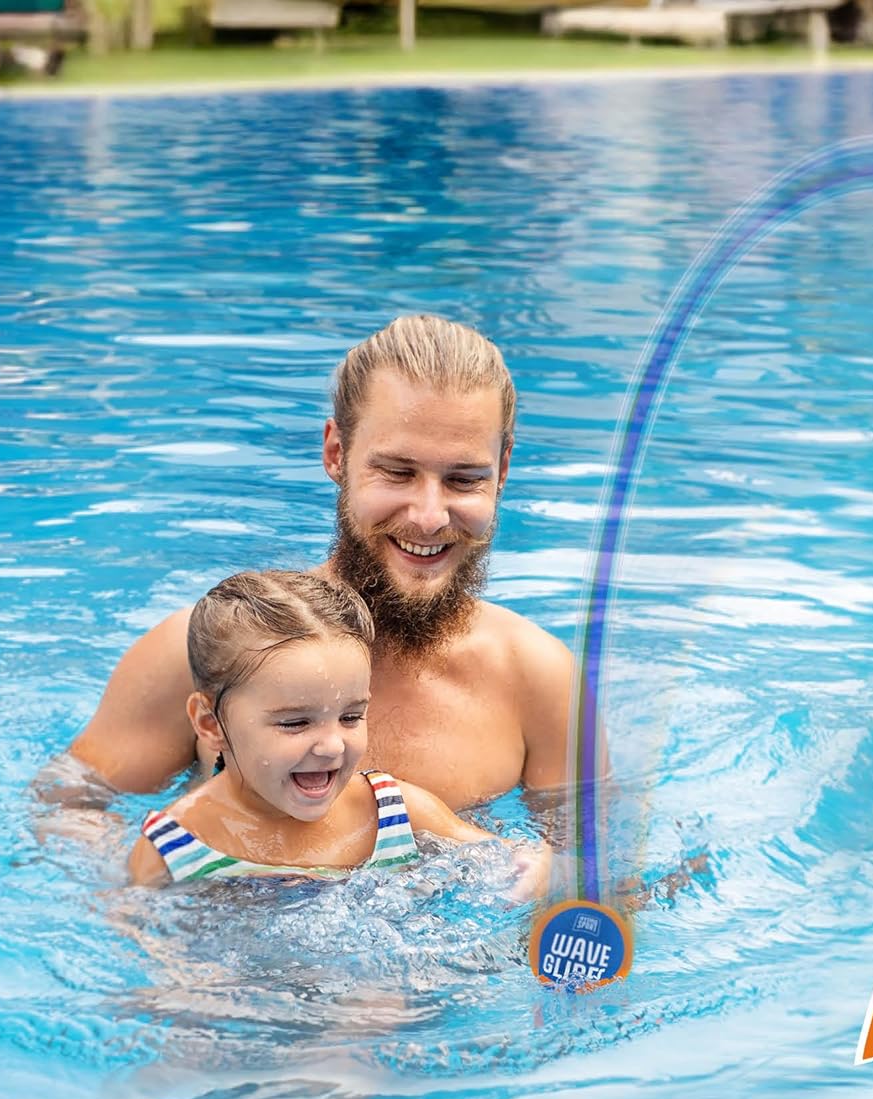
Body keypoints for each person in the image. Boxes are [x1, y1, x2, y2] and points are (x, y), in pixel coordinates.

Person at [60, 314, 579, 820]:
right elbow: (72, 805)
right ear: (336, 453)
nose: (429, 517)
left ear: (503, 471)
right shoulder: (204, 650)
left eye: (464, 480)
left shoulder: (538, 680)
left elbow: (598, 871)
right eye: (397, 472)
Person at [128, 570, 547, 895]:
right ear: (209, 724)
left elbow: (506, 857)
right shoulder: (174, 849)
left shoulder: (395, 814)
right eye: (295, 722)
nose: (332, 745)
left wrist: (536, 867)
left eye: (350, 717)